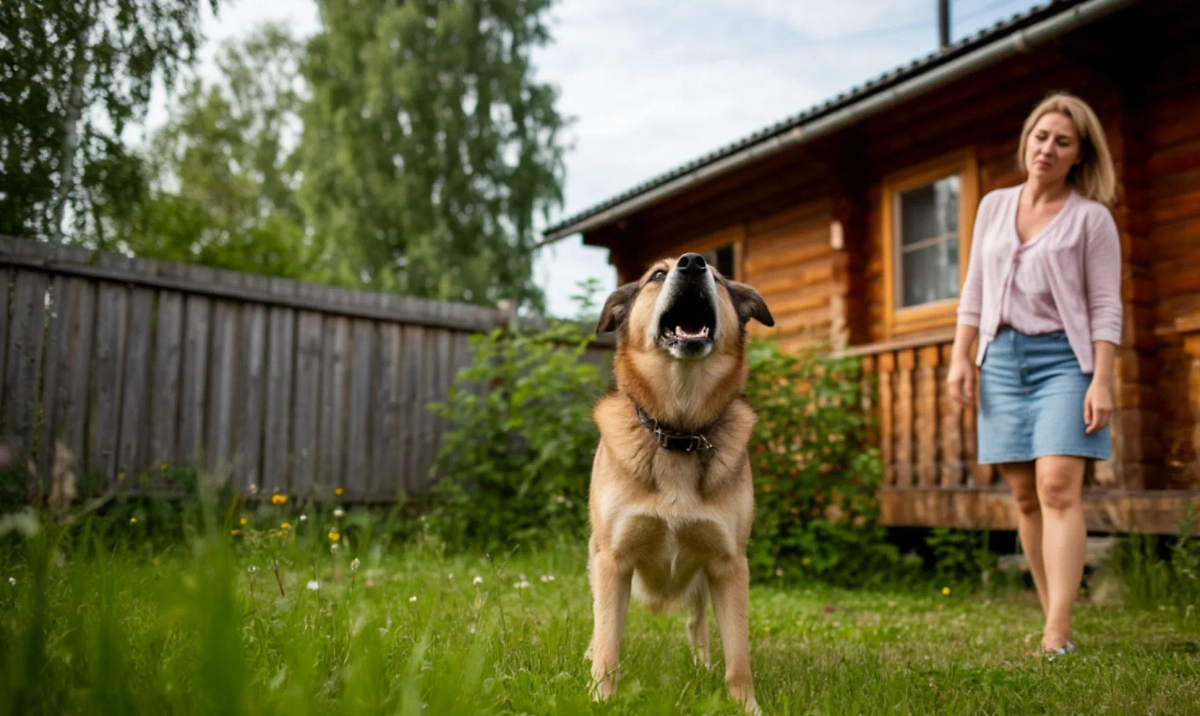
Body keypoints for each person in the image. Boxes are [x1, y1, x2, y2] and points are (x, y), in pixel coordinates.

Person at [947, 92, 1122, 656]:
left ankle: (1056, 633)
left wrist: (1102, 378)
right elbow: (973, 287)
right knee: (1024, 496)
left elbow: (1105, 306)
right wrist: (961, 357)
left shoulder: (1092, 219)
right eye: (1041, 136)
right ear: (1027, 140)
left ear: (1079, 155)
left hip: (1064, 364)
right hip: (999, 360)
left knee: (1057, 486)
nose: (1047, 148)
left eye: (1062, 141)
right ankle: (1054, 618)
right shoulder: (994, 206)